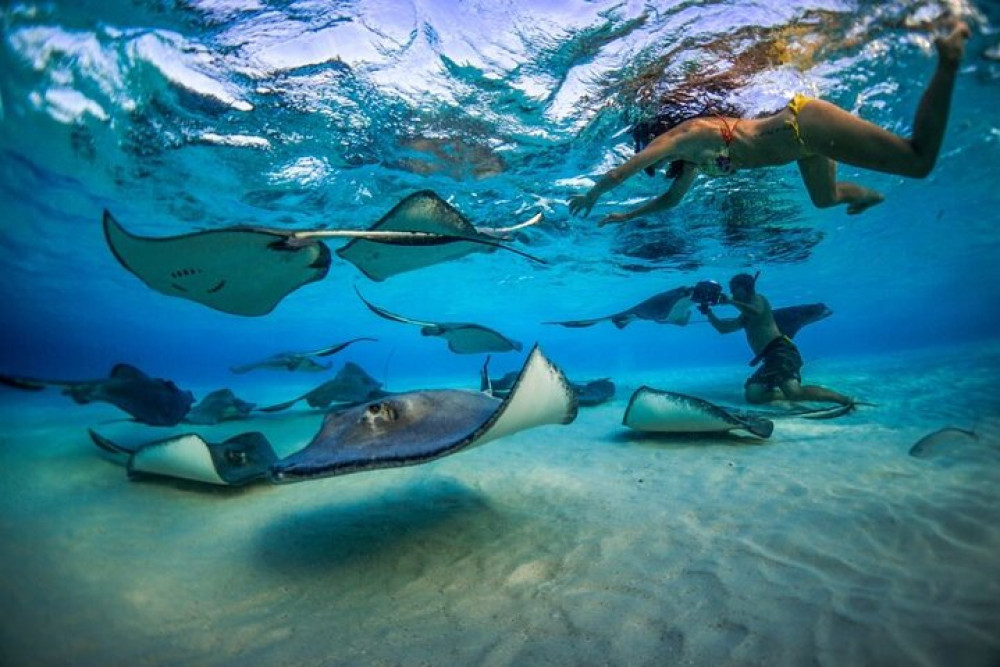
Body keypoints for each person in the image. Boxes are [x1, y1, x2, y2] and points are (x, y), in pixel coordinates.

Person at [568, 21, 971, 225]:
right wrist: (626, 217)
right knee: (824, 199)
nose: (653, 164)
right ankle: (868, 195)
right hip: (803, 147)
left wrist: (594, 196)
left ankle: (949, 58)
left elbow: (623, 172)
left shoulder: (686, 136)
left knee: (917, 163)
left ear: (653, 137)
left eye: (649, 154)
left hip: (803, 124)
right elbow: (671, 200)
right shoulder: (693, 161)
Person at [701, 273, 853, 407]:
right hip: (769, 358)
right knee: (753, 395)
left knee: (795, 393)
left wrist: (731, 302)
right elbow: (723, 328)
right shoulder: (744, 315)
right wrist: (708, 313)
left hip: (782, 351)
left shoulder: (759, 300)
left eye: (734, 288)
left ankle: (843, 399)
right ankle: (785, 394)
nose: (732, 292)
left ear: (744, 287)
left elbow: (756, 311)